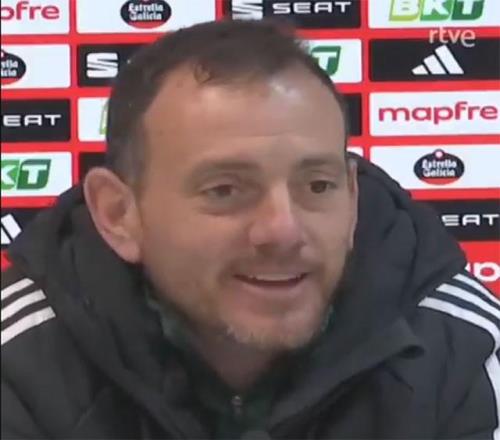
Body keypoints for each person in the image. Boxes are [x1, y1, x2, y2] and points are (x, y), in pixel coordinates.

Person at [1, 19, 498, 440]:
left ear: (352, 198)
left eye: (318, 186)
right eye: (225, 190)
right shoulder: (21, 361)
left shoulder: (457, 347)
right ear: (118, 215)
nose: (283, 230)